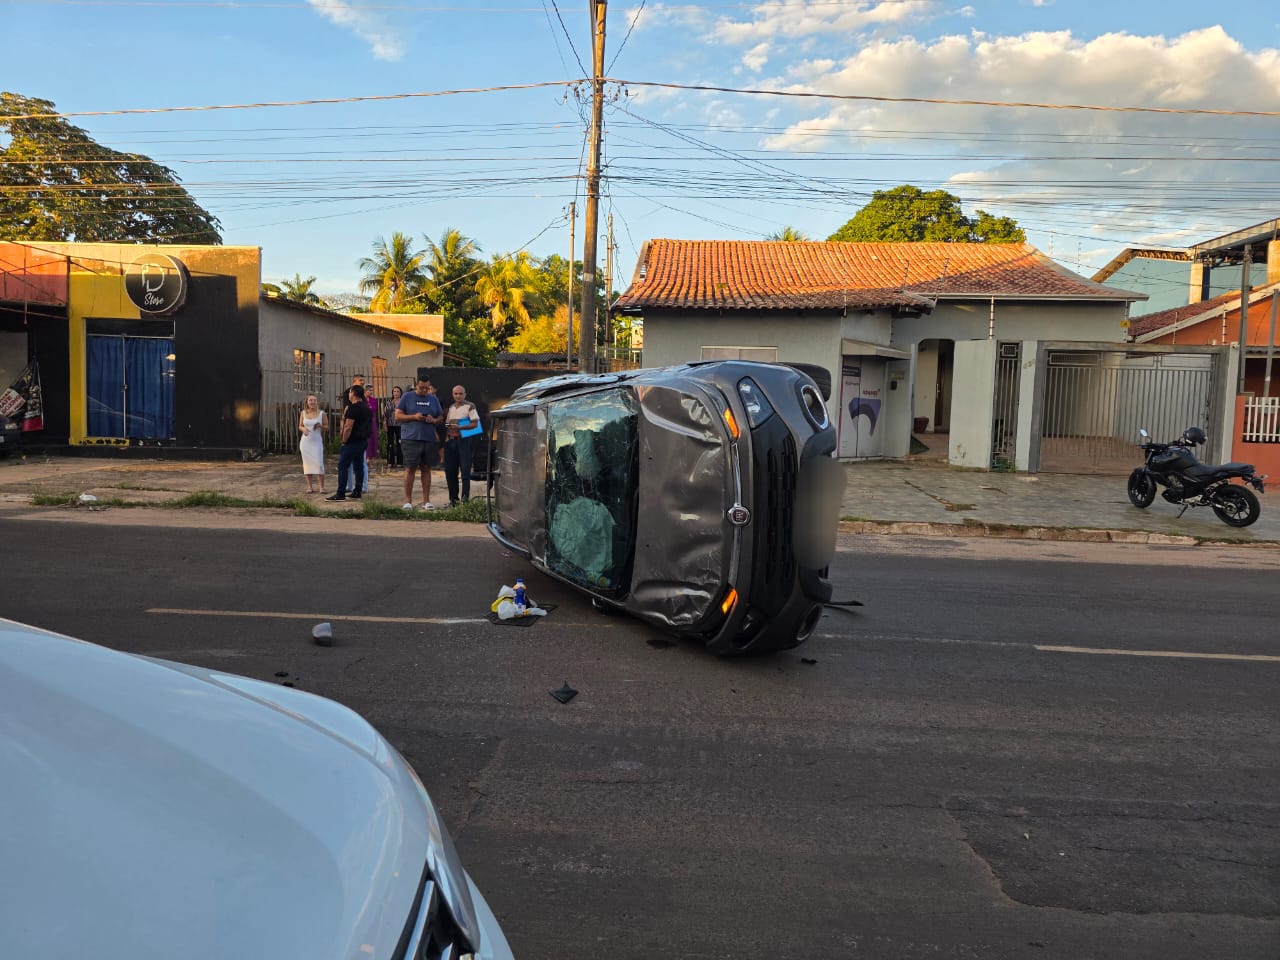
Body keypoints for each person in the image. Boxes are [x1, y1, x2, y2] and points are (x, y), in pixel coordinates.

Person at [396, 376, 443, 510]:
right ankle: (408, 501)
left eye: (427, 388)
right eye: (422, 387)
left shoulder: (433, 399)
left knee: (426, 468)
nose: (424, 390)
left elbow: (440, 417)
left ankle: (426, 501)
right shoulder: (407, 397)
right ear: (416, 386)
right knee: (410, 468)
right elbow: (397, 416)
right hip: (410, 438)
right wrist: (414, 417)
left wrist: (433, 420)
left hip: (428, 438)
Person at [326, 384, 372, 502]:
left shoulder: (353, 408)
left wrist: (344, 440)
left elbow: (348, 427)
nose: (349, 395)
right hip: (363, 441)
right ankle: (357, 491)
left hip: (352, 442)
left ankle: (340, 493)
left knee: (343, 466)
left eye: (350, 392)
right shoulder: (366, 408)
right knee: (358, 466)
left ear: (354, 394)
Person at [443, 384, 480, 506]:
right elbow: (447, 424)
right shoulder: (451, 407)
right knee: (450, 471)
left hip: (464, 440)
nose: (458, 396)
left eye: (460, 393)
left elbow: (475, 424)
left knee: (465, 471)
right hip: (451, 441)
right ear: (452, 395)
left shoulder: (470, 406)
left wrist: (460, 427)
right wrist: (447, 437)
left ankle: (465, 500)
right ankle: (453, 500)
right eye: (456, 393)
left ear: (465, 394)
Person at [298, 395, 327, 494]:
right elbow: (300, 425)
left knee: (319, 464)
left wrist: (320, 426)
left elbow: (327, 427)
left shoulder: (322, 413)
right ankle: (309, 487)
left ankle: (321, 487)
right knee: (307, 465)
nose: (313, 402)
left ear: (317, 402)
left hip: (317, 442)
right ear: (307, 402)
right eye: (311, 400)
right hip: (305, 443)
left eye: (314, 400)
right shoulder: (303, 413)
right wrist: (304, 429)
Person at [384, 385, 404, 470]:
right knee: (390, 443)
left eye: (398, 391)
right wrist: (385, 424)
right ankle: (390, 461)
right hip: (390, 425)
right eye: (394, 391)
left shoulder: (403, 402)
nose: (396, 393)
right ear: (392, 393)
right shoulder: (389, 402)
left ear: (400, 393)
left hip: (400, 425)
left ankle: (400, 462)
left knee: (400, 443)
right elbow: (385, 414)